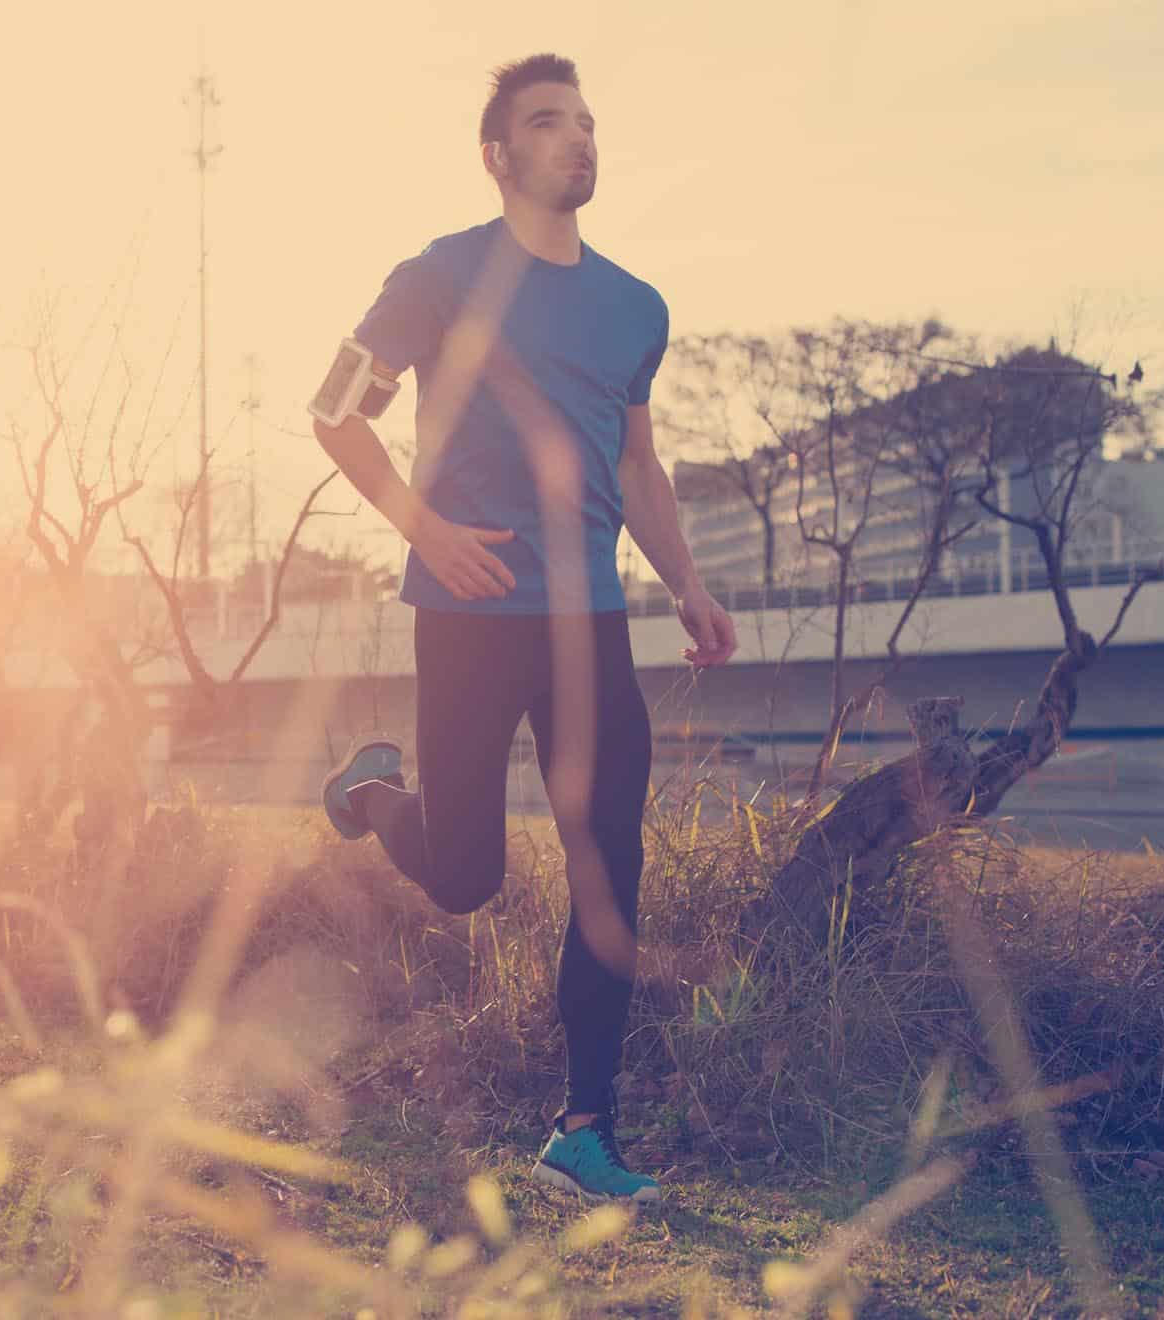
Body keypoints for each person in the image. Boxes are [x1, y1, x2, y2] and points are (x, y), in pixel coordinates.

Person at [309, 53, 738, 1204]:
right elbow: (335, 411)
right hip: (466, 613)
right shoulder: (439, 277)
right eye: (549, 123)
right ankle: (368, 796)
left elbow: (635, 460)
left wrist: (687, 584)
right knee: (465, 879)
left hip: (589, 623)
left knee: (612, 871)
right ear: (498, 156)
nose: (578, 139)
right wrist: (424, 526)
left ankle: (582, 1133)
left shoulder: (635, 307)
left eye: (588, 122)